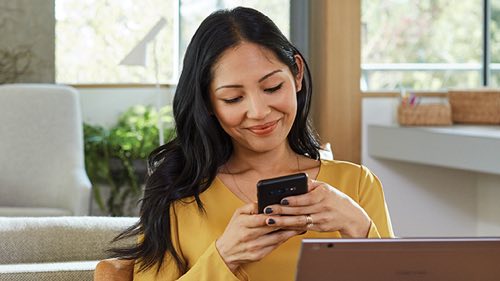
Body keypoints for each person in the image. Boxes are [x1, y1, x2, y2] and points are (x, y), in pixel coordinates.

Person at [112, 6, 394, 281]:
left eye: (272, 87)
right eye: (233, 98)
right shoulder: (178, 195)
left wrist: (359, 227)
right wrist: (225, 256)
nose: (258, 111)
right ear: (208, 102)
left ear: (296, 73)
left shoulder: (357, 184)